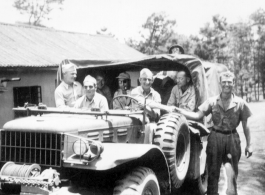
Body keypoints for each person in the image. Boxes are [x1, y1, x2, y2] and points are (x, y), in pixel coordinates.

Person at [174, 71, 253, 195]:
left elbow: (246, 125)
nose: (227, 85)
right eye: (224, 82)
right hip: (215, 138)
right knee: (212, 174)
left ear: (234, 83)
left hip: (232, 139)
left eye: (229, 82)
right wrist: (180, 111)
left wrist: (249, 144)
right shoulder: (212, 101)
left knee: (232, 174)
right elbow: (197, 115)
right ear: (220, 83)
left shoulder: (240, 103)